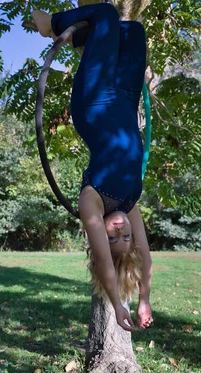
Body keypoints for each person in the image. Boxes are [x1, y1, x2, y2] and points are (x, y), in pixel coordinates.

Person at [32, 2, 153, 332]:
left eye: (114, 237)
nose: (120, 229)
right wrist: (144, 299)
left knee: (107, 16)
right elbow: (146, 256)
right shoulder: (130, 203)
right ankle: (80, 38)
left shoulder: (92, 202)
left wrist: (118, 305)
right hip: (126, 101)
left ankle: (52, 25)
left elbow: (104, 264)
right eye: (126, 233)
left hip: (95, 104)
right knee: (132, 32)